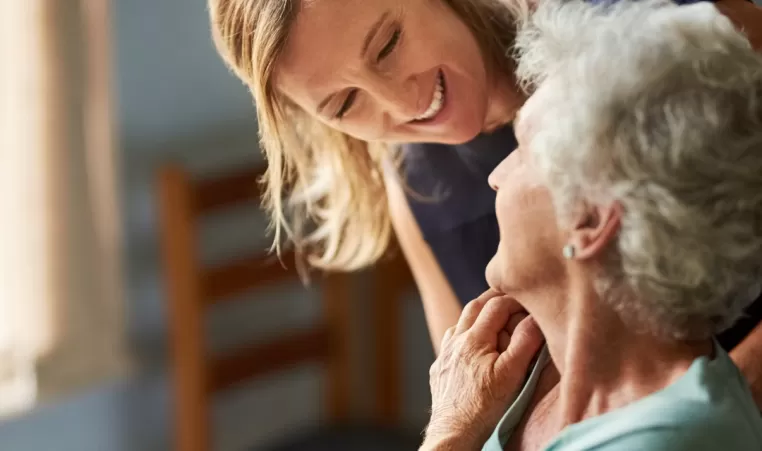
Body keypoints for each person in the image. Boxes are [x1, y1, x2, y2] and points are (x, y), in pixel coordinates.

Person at [207, 0, 762, 405]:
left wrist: (715, 412)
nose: (404, 101)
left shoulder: (653, 28)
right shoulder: (415, 186)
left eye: (388, 44)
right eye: (346, 102)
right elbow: (482, 407)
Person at [422, 1, 762, 449]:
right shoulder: (517, 377)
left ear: (592, 219)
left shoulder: (675, 438)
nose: (495, 175)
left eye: (523, 150)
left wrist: (450, 432)